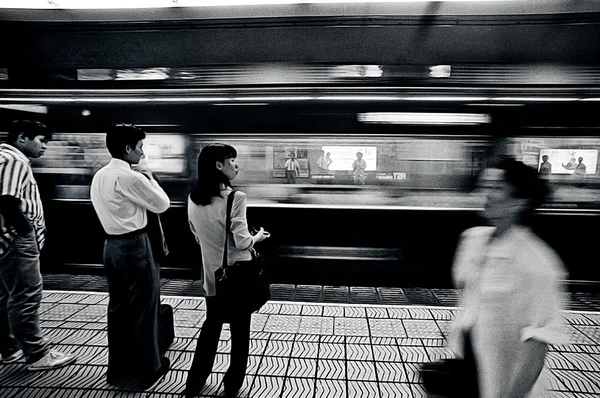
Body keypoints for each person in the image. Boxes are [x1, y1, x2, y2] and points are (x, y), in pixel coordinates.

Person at [449, 158, 568, 398]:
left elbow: (537, 345)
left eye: (497, 188)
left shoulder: (538, 263)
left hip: (505, 382)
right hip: (466, 369)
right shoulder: (472, 241)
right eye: (485, 186)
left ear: (519, 202)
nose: (487, 194)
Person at [185, 144, 270, 398]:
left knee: (211, 328)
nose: (237, 165)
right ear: (218, 166)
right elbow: (242, 242)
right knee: (240, 333)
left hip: (212, 278)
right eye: (231, 160)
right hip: (238, 277)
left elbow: (196, 235)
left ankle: (194, 381)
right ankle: (231, 385)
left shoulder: (193, 197)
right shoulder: (236, 198)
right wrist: (259, 237)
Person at [90, 124, 171, 389]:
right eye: (140, 147)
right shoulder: (131, 177)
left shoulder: (100, 175)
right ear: (127, 149)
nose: (142, 153)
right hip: (135, 245)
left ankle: (118, 368)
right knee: (145, 308)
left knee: (118, 308)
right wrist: (149, 178)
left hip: (110, 246)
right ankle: (150, 369)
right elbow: (162, 204)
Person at [0, 120, 77, 370]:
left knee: (6, 295)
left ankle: (10, 348)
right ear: (22, 137)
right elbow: (8, 202)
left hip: (6, 240)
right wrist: (26, 233)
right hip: (16, 240)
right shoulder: (14, 160)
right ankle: (37, 354)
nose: (44, 147)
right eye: (41, 141)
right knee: (26, 295)